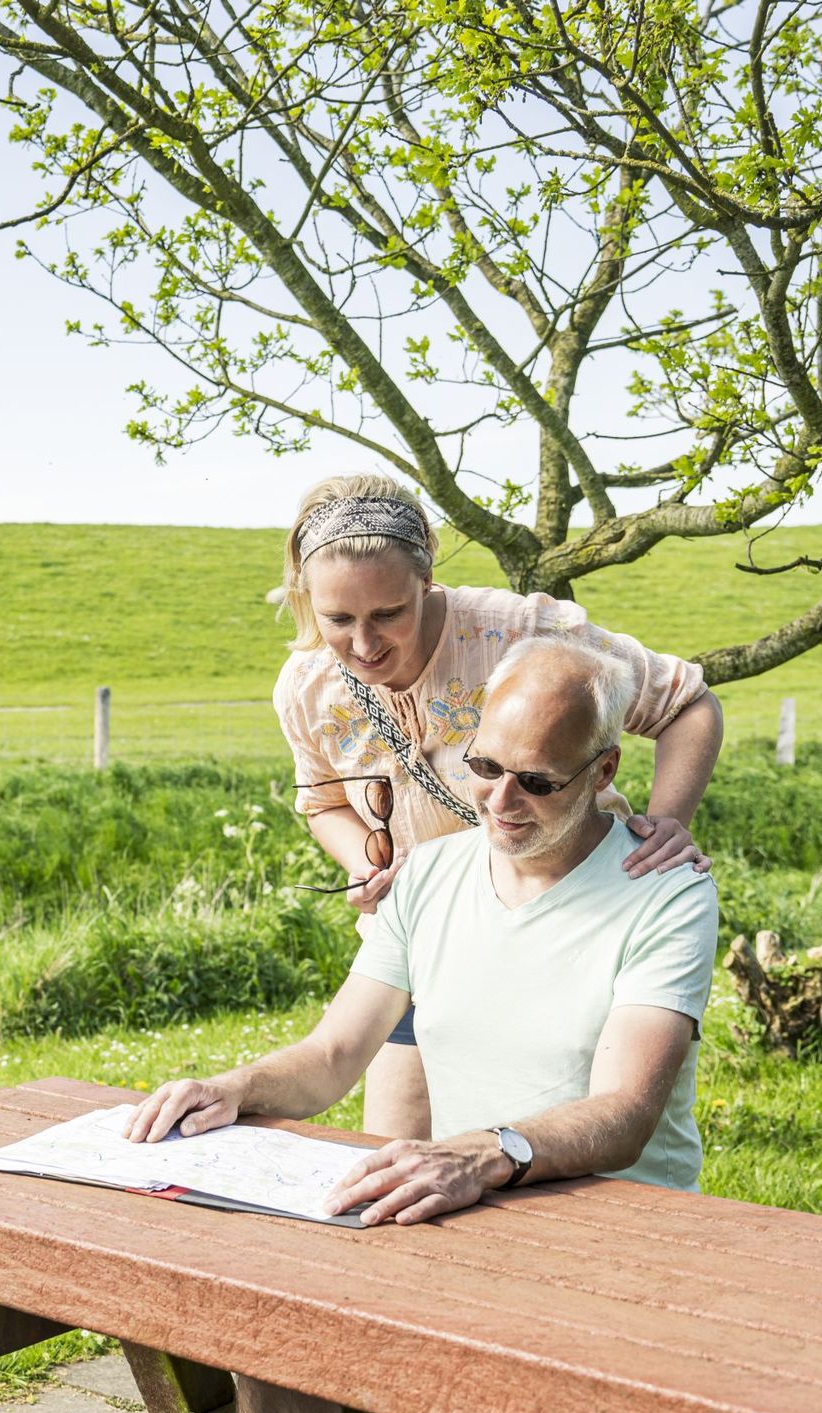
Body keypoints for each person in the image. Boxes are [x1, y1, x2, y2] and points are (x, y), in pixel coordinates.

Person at [127, 638, 726, 1413]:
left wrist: (486, 1151)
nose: (498, 799)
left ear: (603, 776)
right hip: (459, 1214)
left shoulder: (661, 888)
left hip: (614, 1225)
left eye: (536, 781)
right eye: (483, 767)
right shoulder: (436, 873)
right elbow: (332, 1056)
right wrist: (235, 1085)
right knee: (270, 1335)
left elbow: (628, 1113)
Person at [269, 473, 722, 1153]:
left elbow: (687, 702)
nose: (364, 645)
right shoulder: (306, 687)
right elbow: (325, 801)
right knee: (393, 1164)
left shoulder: (519, 631)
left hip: (565, 919)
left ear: (426, 578)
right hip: (422, 938)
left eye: (388, 614)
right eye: (339, 620)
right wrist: (378, 865)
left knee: (552, 1149)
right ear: (310, 601)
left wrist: (668, 820)